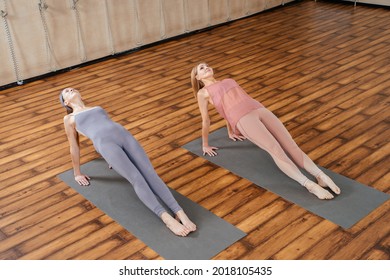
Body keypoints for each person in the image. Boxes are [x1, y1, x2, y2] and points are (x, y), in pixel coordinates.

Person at [191, 62, 341, 199]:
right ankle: (310, 185)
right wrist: (205, 144)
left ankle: (320, 176)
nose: (207, 67)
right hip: (243, 119)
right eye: (201, 68)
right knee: (276, 150)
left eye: (207, 65)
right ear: (197, 77)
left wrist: (230, 130)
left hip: (259, 108)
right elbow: (207, 119)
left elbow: (225, 106)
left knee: (291, 145)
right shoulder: (202, 93)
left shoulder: (229, 81)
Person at [60, 88, 196, 236]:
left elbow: (105, 125)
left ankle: (180, 212)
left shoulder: (96, 108)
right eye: (66, 91)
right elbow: (74, 146)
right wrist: (77, 173)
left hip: (124, 136)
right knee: (137, 179)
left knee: (150, 173)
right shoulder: (69, 119)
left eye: (72, 88)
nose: (70, 89)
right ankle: (166, 218)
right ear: (66, 102)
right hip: (107, 145)